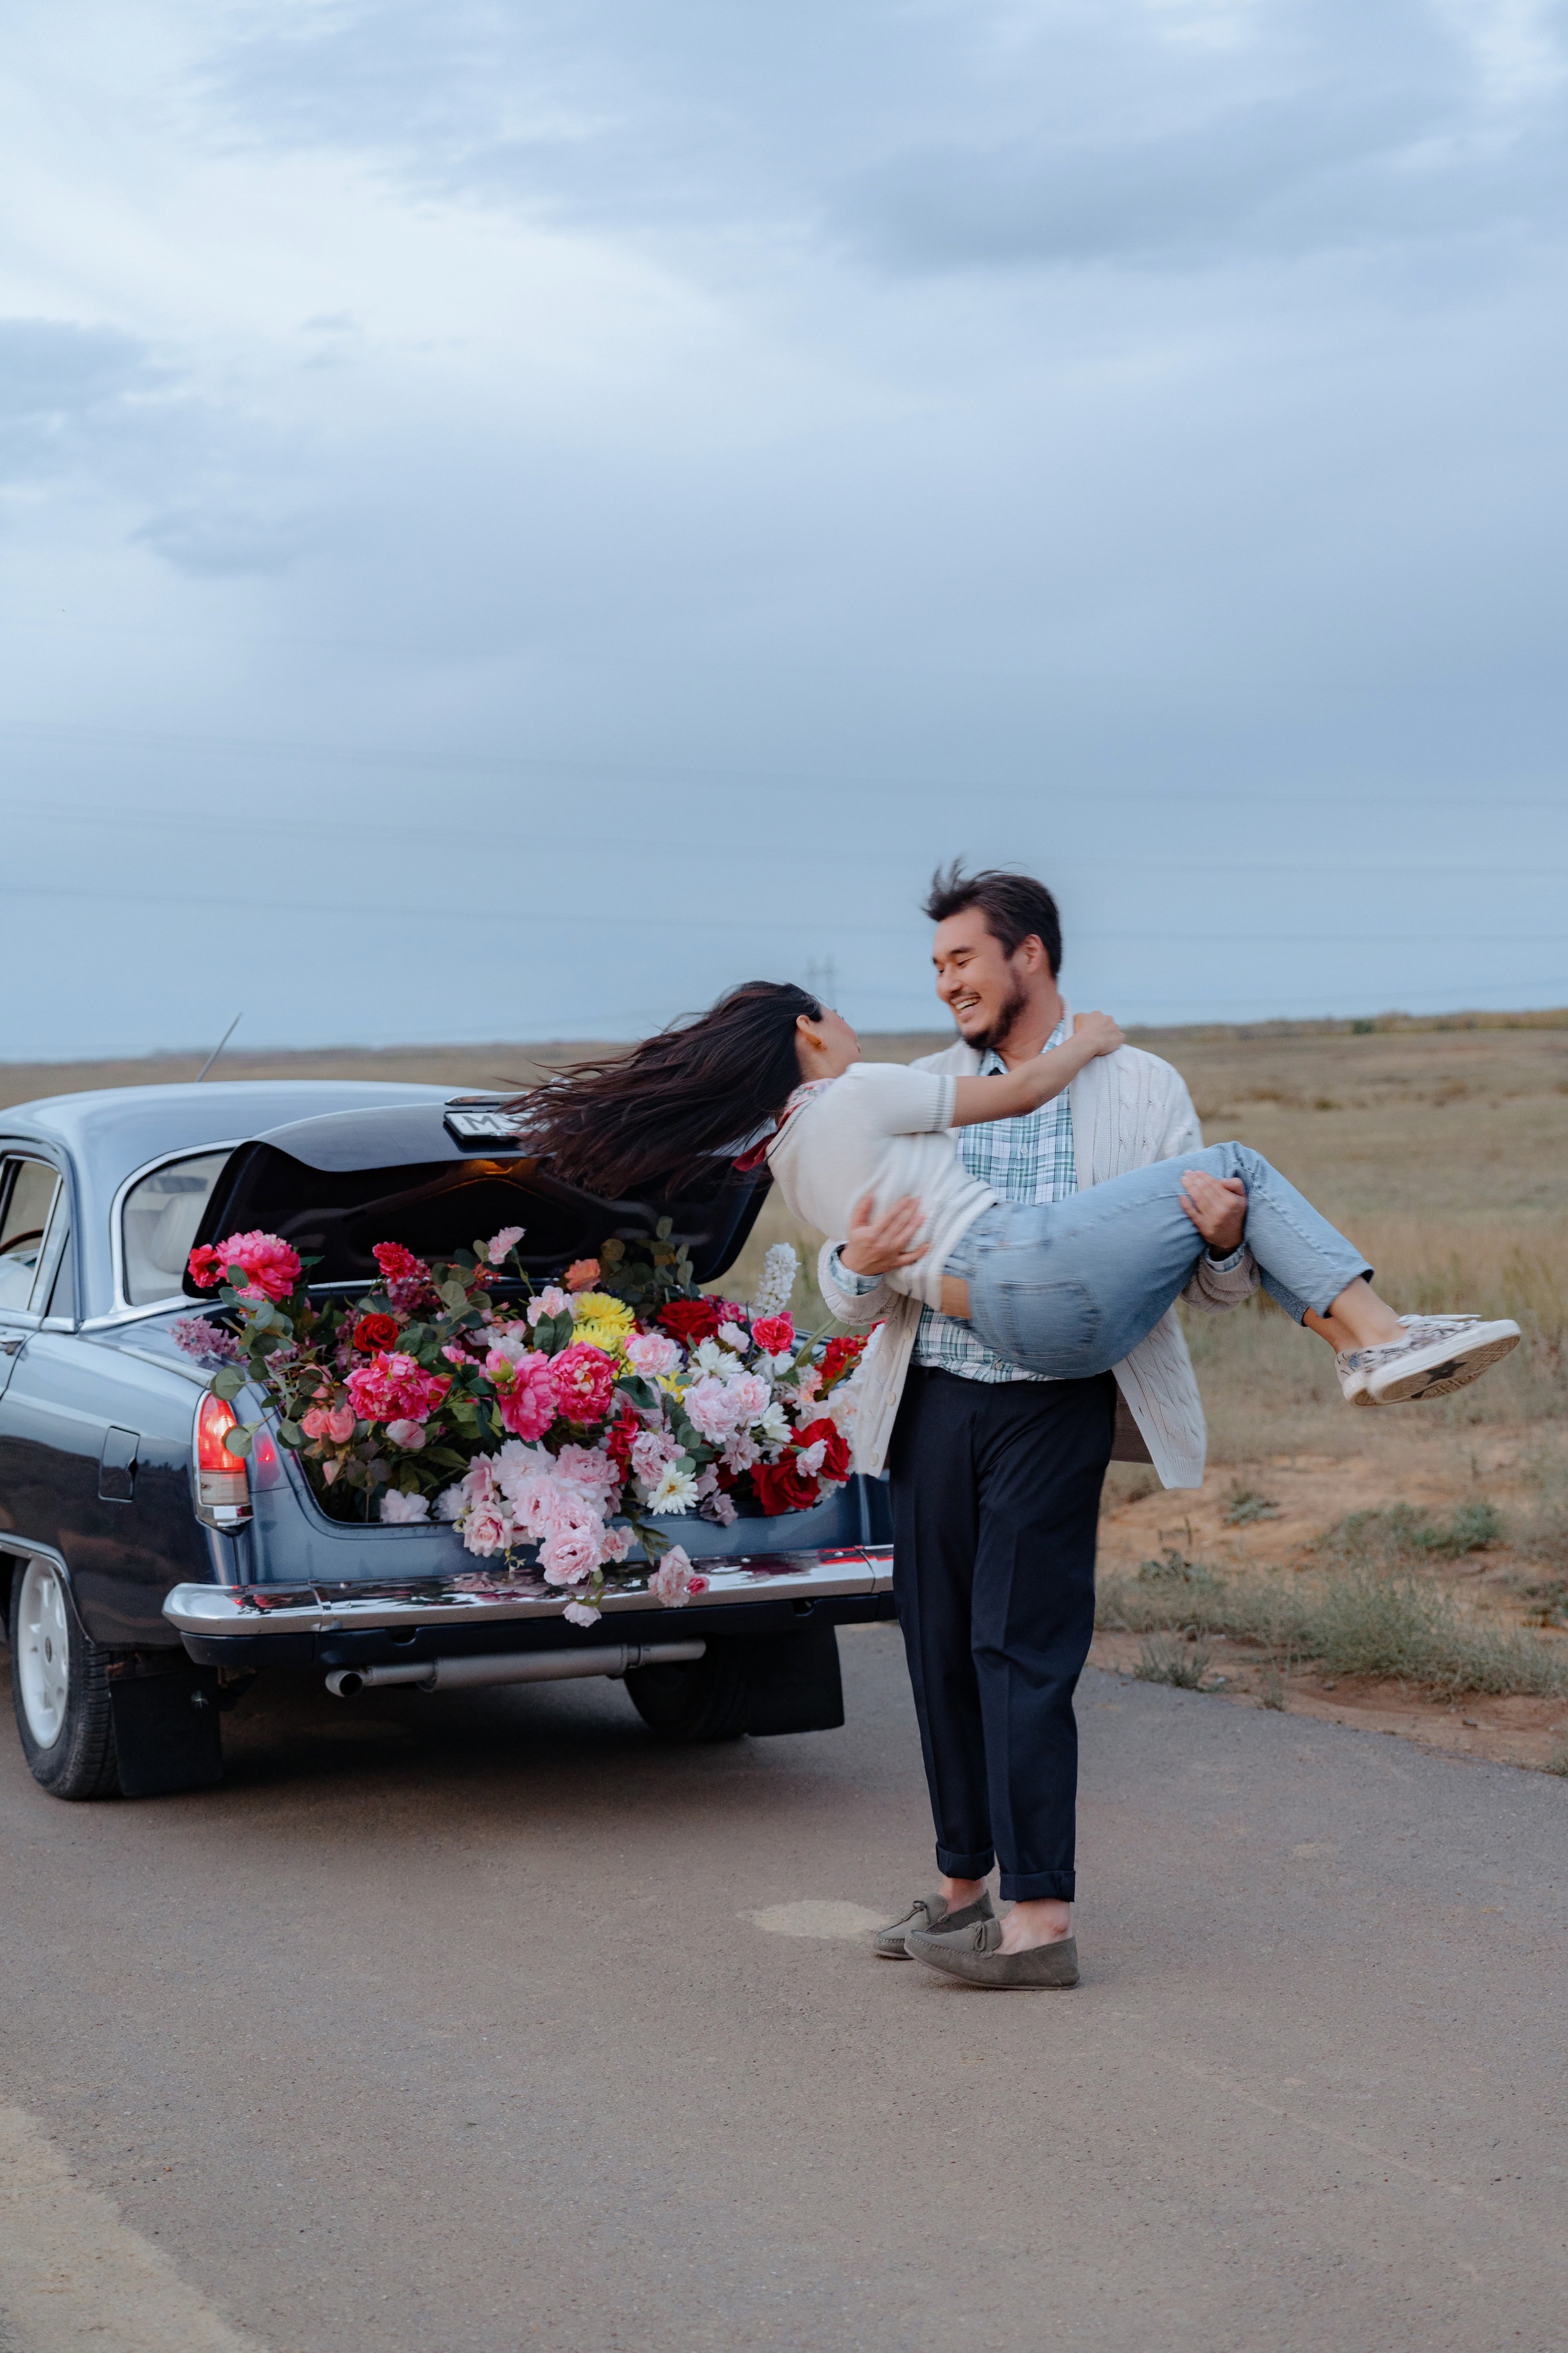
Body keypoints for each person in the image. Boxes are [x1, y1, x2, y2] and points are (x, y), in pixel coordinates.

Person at [519, 926, 1519, 1990]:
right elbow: (875, 1259)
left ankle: (1039, 1914)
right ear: (809, 1031)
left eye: (961, 960)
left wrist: (1222, 1236)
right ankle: (961, 1898)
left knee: (1022, 1647)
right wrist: (1062, 1061)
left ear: (1027, 955)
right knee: (942, 1647)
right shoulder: (889, 1088)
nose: (942, 982)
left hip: (1054, 1378)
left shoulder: (1129, 1092)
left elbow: (1203, 1269)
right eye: (933, 967)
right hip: (951, 1378)